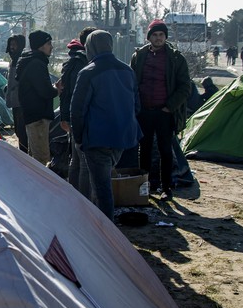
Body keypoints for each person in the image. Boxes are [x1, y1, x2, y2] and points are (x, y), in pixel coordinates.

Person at [70, 30, 141, 220]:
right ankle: (98, 222)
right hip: (123, 138)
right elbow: (137, 106)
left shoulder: (88, 72)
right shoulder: (127, 70)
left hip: (97, 138)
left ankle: (106, 232)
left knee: (102, 189)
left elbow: (77, 110)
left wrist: (78, 138)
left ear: (90, 47)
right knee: (102, 182)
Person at [130, 19, 191, 200]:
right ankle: (145, 187)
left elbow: (185, 87)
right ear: (149, 37)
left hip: (165, 112)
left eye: (161, 35)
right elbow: (132, 83)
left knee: (166, 150)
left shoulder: (176, 58)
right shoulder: (139, 56)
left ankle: (166, 188)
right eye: (155, 35)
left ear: (165, 37)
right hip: (145, 111)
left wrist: (169, 106)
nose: (158, 38)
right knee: (145, 150)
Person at [59, 27, 96, 198]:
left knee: (76, 159)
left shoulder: (76, 60)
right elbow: (71, 93)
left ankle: (73, 196)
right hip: (80, 118)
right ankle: (82, 199)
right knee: (83, 162)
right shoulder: (81, 62)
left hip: (75, 117)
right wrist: (67, 117)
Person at [15, 30, 58, 165]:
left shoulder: (30, 61)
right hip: (38, 117)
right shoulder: (37, 64)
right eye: (49, 43)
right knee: (42, 159)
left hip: (32, 115)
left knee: (34, 157)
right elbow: (45, 91)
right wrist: (57, 90)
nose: (51, 47)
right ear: (41, 45)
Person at [4, 35, 28, 153]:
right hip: (15, 102)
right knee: (18, 131)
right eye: (11, 45)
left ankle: (25, 155)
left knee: (22, 131)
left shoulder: (22, 61)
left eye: (15, 45)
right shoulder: (13, 61)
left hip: (21, 102)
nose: (12, 48)